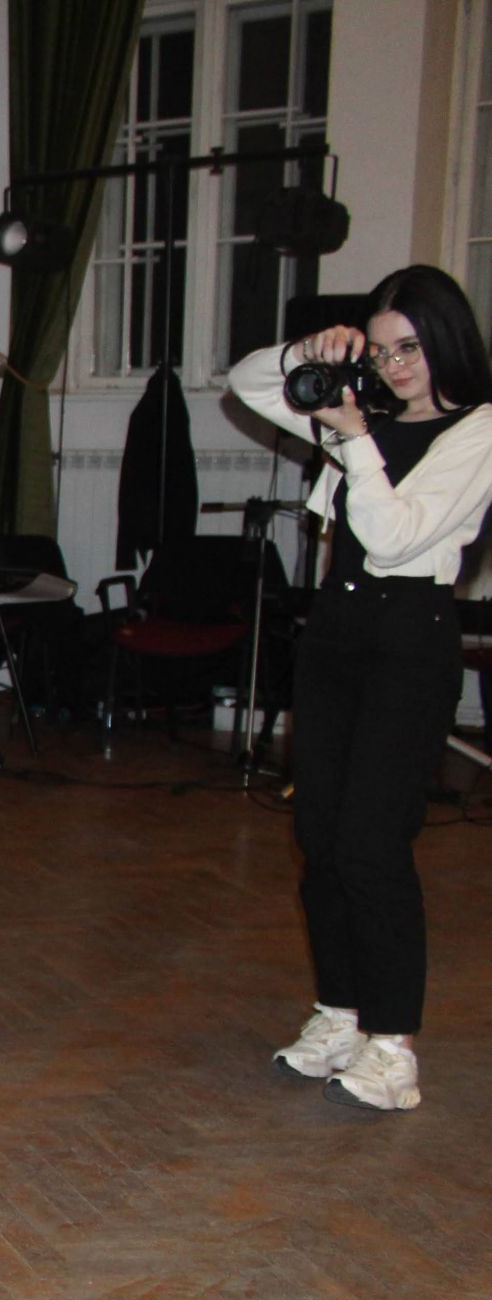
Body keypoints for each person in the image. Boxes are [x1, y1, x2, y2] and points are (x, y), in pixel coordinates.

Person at [230, 266, 492, 1112]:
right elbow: (247, 383)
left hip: (410, 636)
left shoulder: (481, 430)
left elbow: (389, 537)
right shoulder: (364, 410)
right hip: (337, 633)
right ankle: (340, 1014)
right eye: (379, 351)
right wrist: (309, 352)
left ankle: (393, 1046)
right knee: (321, 837)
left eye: (408, 348)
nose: (393, 366)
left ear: (447, 339)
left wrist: (350, 438)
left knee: (374, 843)